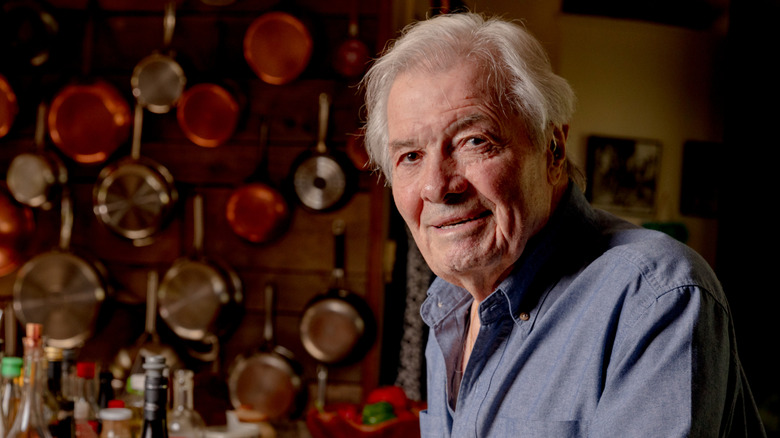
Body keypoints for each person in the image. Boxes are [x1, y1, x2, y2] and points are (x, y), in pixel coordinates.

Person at [361, 11, 766, 437]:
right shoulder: (451, 303)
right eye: (410, 157)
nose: (437, 187)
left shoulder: (654, 297)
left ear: (552, 149)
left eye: (473, 141)